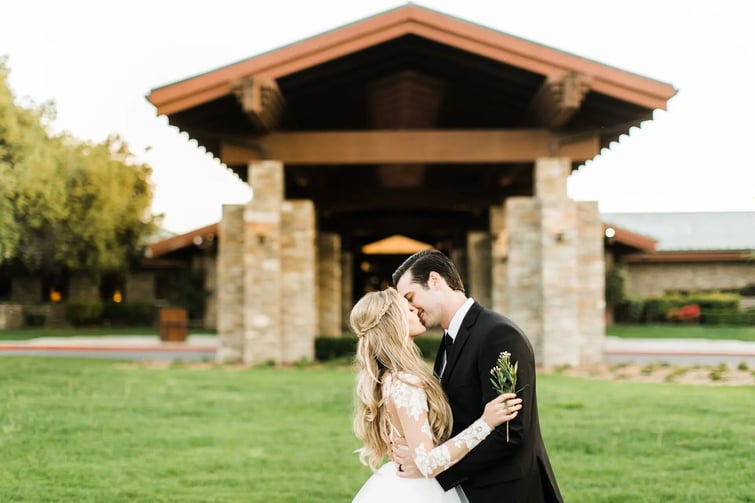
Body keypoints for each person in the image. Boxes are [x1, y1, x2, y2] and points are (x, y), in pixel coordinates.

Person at [391, 249, 563, 503]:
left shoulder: (498, 334)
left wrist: (434, 468)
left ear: (435, 281)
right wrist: (422, 451)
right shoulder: (448, 340)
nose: (411, 309)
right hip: (473, 489)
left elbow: (509, 433)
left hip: (507, 492)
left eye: (410, 297)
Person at [350, 287, 523, 503]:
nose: (416, 310)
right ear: (394, 323)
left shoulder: (389, 377)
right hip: (419, 492)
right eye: (408, 310)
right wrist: (485, 423)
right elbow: (428, 463)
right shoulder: (406, 383)